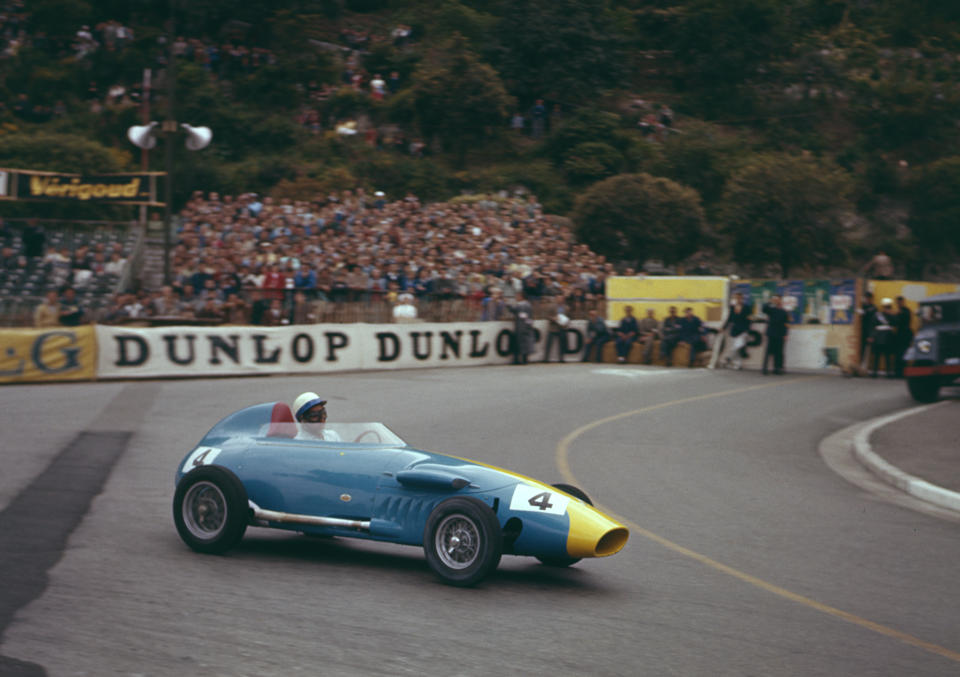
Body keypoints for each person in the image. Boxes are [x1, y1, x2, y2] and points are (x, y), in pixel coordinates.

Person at [720, 292, 752, 370]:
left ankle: (728, 358)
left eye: (739, 298)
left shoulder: (747, 308)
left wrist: (748, 329)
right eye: (736, 298)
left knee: (738, 346)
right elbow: (729, 318)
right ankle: (738, 364)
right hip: (734, 330)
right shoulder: (732, 307)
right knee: (736, 348)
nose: (738, 299)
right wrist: (723, 327)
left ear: (742, 299)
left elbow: (750, 319)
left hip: (743, 330)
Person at [868, 298, 897, 378]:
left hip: (888, 338)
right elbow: (872, 326)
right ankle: (874, 372)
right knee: (876, 356)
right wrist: (871, 336)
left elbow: (895, 324)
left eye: (888, 307)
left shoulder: (892, 315)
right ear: (883, 307)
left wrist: (892, 315)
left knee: (888, 356)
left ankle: (889, 373)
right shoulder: (877, 315)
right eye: (886, 307)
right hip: (878, 337)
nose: (887, 309)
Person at [762, 295, 789, 375]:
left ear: (781, 301)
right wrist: (770, 301)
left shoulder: (784, 311)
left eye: (778, 300)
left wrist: (785, 334)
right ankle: (765, 368)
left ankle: (777, 368)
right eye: (775, 300)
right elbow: (763, 308)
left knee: (779, 352)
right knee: (768, 352)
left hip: (780, 334)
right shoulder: (771, 309)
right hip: (771, 333)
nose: (777, 301)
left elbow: (786, 324)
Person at [510, 292, 534, 364]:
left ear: (521, 297)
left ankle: (520, 359)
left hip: (521, 326)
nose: (516, 298)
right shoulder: (528, 304)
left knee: (520, 343)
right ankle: (524, 359)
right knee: (524, 343)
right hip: (527, 325)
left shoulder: (522, 305)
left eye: (517, 296)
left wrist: (508, 306)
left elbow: (520, 314)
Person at [893, 296, 913, 378]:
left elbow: (906, 320)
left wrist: (898, 314)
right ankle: (898, 373)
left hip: (905, 335)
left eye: (899, 302)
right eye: (897, 302)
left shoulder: (906, 311)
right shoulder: (898, 312)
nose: (899, 304)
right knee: (898, 355)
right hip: (899, 336)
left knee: (904, 354)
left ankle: (904, 372)